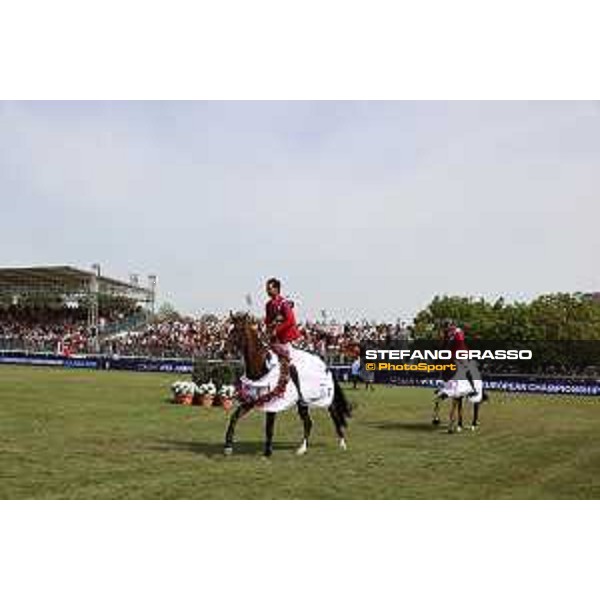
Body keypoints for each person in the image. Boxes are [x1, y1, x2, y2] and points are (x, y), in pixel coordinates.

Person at [265, 277, 304, 401]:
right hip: (275, 338)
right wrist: (265, 325)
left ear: (276, 289)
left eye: (269, 288)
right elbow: (268, 320)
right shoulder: (268, 304)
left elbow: (290, 320)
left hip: (288, 337)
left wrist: (276, 330)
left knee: (287, 361)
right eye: (266, 288)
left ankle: (299, 391)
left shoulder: (284, 303)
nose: (267, 290)